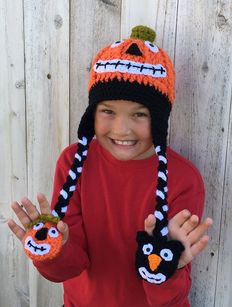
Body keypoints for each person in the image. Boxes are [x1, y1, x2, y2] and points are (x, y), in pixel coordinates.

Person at [8, 25, 213, 307]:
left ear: (160, 119)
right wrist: (55, 249)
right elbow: (69, 266)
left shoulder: (183, 179)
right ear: (91, 112)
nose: (122, 129)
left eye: (139, 114)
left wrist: (168, 267)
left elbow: (170, 299)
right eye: (108, 111)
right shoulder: (73, 163)